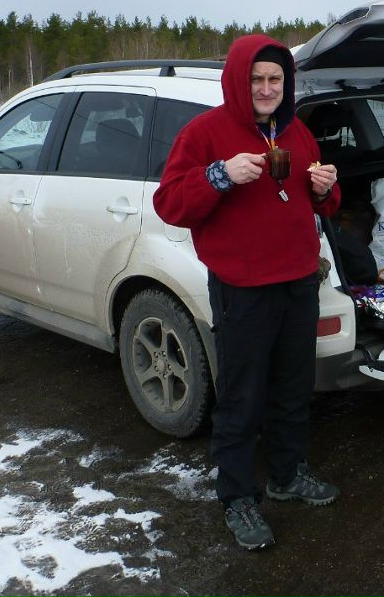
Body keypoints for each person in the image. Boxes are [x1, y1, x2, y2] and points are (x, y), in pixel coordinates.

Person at [153, 34, 341, 550]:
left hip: (298, 282)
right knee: (242, 398)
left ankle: (286, 475)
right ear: (239, 80)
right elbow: (169, 203)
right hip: (243, 290)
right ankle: (237, 496)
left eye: (275, 78)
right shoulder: (204, 133)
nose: (266, 88)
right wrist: (220, 175)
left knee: (293, 389)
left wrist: (326, 187)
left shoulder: (296, 132)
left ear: (287, 82)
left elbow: (322, 203)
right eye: (256, 78)